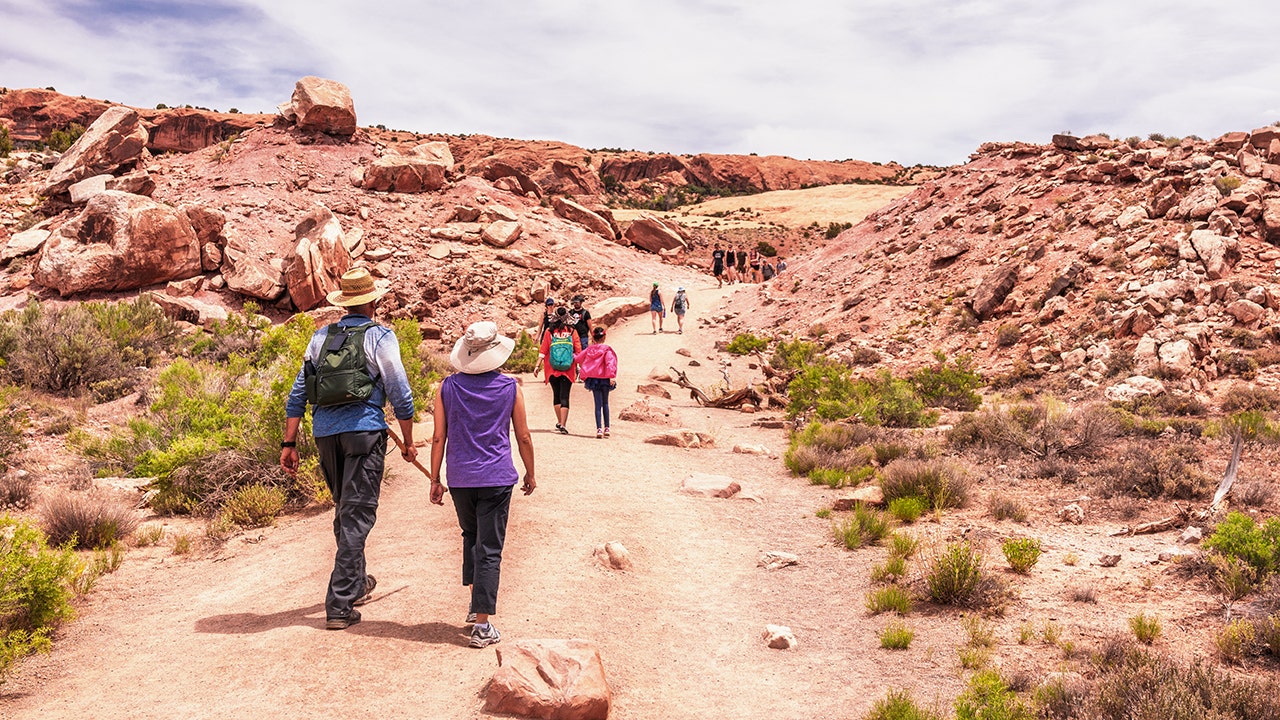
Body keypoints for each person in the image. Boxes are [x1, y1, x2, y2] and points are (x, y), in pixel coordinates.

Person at [280, 267, 417, 631]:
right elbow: (399, 391)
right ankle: (340, 604)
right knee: (357, 515)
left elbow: (298, 392)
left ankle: (356, 582)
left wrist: (289, 442)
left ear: (344, 303)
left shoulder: (321, 337)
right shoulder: (380, 336)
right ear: (373, 302)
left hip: (326, 434)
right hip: (364, 433)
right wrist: (409, 441)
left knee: (346, 510)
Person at [431, 321, 535, 649]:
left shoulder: (446, 388)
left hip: (460, 478)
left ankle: (475, 604)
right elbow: (523, 436)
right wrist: (530, 473)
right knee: (490, 548)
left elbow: (438, 437)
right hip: (496, 477)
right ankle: (482, 625)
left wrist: (435, 478)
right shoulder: (510, 388)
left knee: (471, 537)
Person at [534, 307, 581, 433]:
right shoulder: (572, 331)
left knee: (556, 395)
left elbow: (543, 350)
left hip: (552, 368)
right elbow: (578, 350)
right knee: (565, 395)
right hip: (568, 368)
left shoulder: (549, 331)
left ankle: (560, 422)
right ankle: (563, 424)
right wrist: (580, 366)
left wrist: (537, 365)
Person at [574, 326, 618, 439]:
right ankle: (607, 428)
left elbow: (578, 359)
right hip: (605, 378)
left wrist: (572, 354)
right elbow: (610, 363)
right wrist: (611, 376)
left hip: (593, 379)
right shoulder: (607, 350)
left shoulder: (589, 350)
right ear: (604, 337)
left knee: (597, 404)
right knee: (605, 403)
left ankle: (599, 429)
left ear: (593, 338)